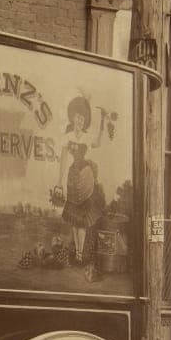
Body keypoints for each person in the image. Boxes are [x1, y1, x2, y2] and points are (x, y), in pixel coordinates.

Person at [56, 95, 107, 264]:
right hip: (72, 180)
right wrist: (59, 182)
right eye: (77, 116)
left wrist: (102, 124)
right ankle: (77, 253)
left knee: (83, 221)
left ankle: (79, 255)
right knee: (74, 220)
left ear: (85, 121)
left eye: (83, 118)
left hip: (85, 179)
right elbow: (63, 160)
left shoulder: (87, 137)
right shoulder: (67, 136)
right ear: (72, 117)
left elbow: (98, 143)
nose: (80, 120)